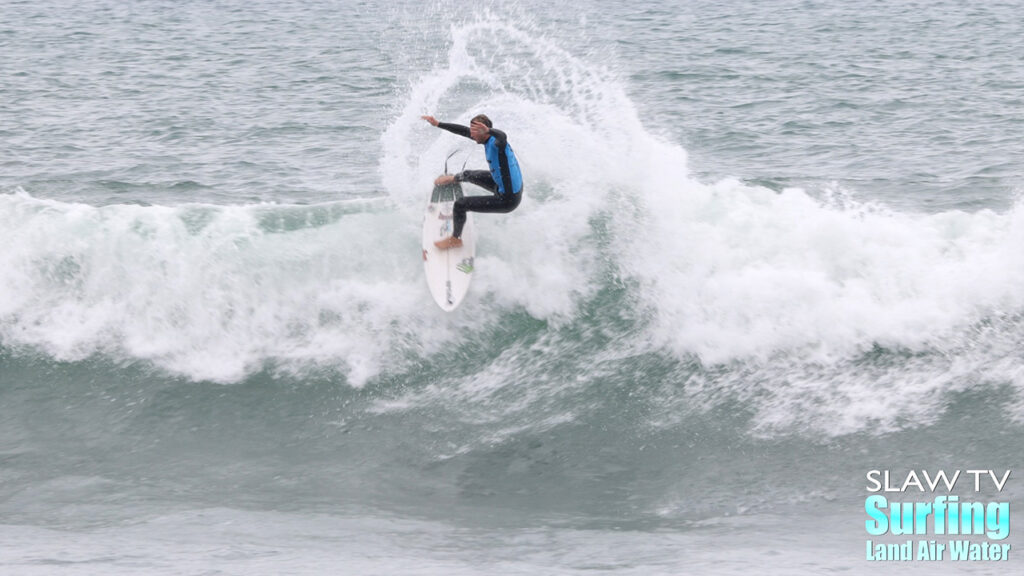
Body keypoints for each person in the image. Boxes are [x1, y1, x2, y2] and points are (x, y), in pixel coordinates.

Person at [421, 114, 523, 250]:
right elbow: (462, 130)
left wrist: (489, 131)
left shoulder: (497, 144)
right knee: (468, 174)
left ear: (485, 131)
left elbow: (503, 136)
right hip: (503, 185)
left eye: (475, 132)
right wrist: (438, 124)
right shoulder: (485, 139)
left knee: (461, 204)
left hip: (508, 199)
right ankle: (454, 179)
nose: (471, 135)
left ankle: (455, 240)